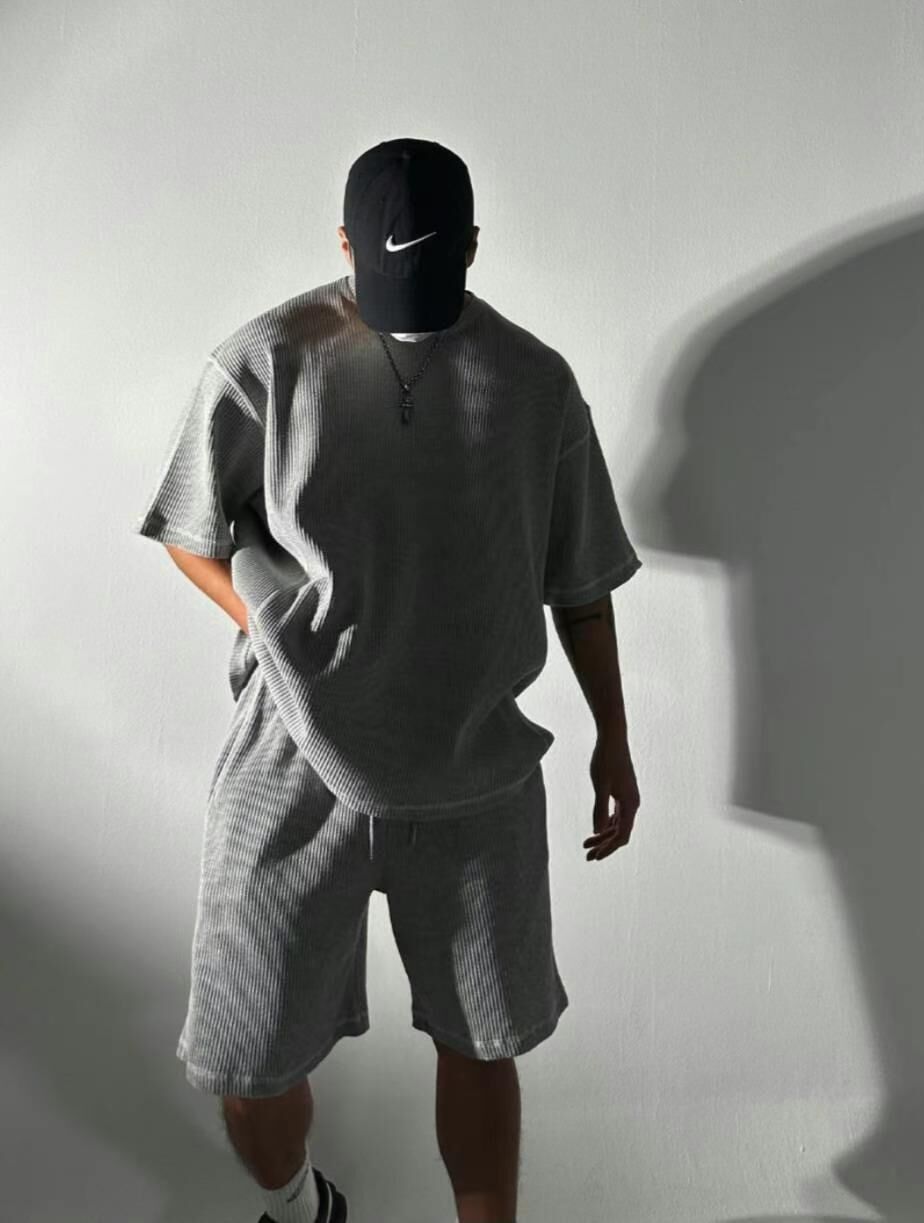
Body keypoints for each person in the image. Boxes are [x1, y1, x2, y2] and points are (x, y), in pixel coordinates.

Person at [132, 137, 643, 1223]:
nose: (410, 307)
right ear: (343, 246)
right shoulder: (266, 360)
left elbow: (582, 585)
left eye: (435, 273)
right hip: (291, 756)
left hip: (472, 765)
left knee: (483, 1040)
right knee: (245, 1056)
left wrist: (616, 736)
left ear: (474, 246)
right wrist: (274, 622)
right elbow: (188, 526)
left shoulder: (536, 384)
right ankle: (298, 1206)